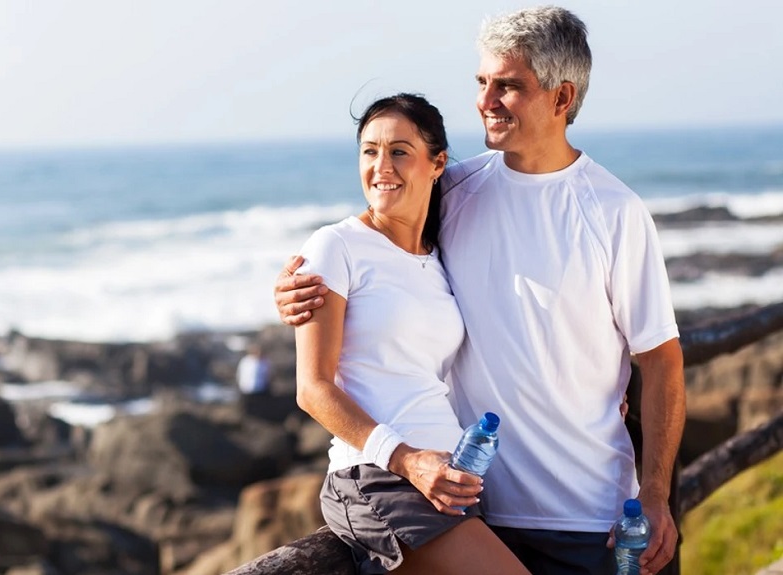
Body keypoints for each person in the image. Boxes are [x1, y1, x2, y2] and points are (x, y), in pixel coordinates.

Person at [275, 6, 685, 575]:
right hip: (479, 506)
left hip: (594, 520)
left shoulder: (615, 212)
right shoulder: (458, 190)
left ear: (562, 98)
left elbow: (661, 361)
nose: (485, 100)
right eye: (481, 82)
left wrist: (659, 497)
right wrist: (298, 288)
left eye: (508, 86)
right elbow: (381, 230)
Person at [294, 92, 529, 575]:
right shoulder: (335, 245)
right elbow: (312, 389)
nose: (381, 165)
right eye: (369, 150)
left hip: (450, 479)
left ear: (437, 163)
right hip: (378, 475)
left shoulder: (440, 258)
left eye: (399, 151)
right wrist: (406, 461)